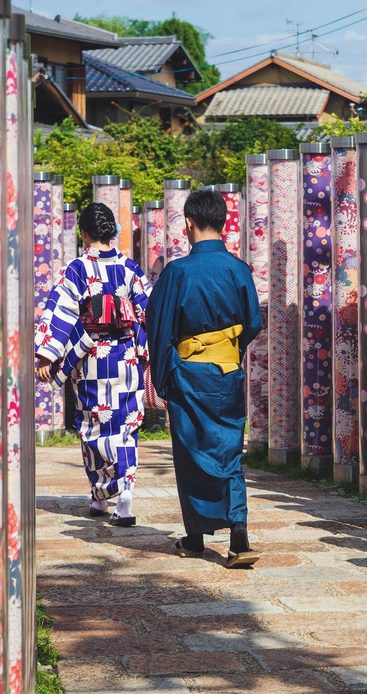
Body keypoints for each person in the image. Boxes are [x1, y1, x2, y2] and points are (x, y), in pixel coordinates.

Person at [145, 190, 262, 567]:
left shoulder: (177, 271)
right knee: (228, 451)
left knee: (191, 452)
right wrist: (227, 350)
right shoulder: (238, 269)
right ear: (224, 222)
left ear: (188, 223)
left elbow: (158, 326)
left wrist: (162, 377)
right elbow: (253, 323)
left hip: (189, 374)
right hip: (227, 371)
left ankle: (195, 538)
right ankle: (239, 537)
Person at [35, 202, 151, 526]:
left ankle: (100, 496)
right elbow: (148, 312)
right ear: (112, 231)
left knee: (93, 426)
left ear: (83, 233)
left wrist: (47, 354)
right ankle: (125, 492)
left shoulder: (77, 269)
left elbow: (61, 313)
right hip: (127, 359)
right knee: (126, 425)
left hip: (92, 361)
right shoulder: (131, 268)